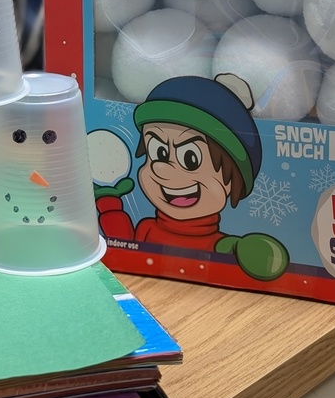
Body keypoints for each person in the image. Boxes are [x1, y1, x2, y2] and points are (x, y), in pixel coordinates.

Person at [95, 73, 289, 281]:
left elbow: (253, 255)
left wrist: (251, 250)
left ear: (232, 181)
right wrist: (110, 204)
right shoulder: (147, 228)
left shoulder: (219, 246)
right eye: (158, 153)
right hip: (144, 282)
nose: (162, 169)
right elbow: (121, 243)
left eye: (190, 158)